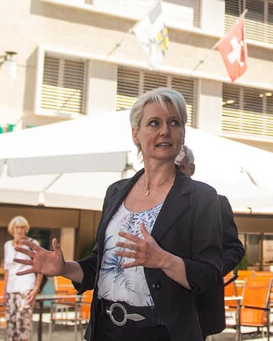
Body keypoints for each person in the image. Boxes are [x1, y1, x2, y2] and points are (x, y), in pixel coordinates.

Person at [15, 87, 223, 341]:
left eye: (174, 123)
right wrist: (65, 268)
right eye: (154, 123)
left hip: (162, 333)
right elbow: (100, 264)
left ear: (183, 133)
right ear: (136, 133)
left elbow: (210, 276)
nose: (165, 131)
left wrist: (163, 260)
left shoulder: (202, 197)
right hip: (105, 330)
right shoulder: (116, 192)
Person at [176, 145, 245, 338]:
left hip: (200, 304)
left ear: (191, 169)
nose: (174, 173)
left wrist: (208, 272)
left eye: (180, 167)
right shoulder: (152, 202)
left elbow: (235, 249)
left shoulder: (215, 202)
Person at [3, 216, 44, 341]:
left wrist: (36, 288)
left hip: (26, 287)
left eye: (22, 228)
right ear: (12, 229)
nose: (19, 230)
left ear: (26, 229)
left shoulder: (32, 244)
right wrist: (4, 292)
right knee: (11, 325)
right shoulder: (7, 245)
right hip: (11, 288)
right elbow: (7, 270)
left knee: (22, 323)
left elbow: (40, 268)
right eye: (17, 227)